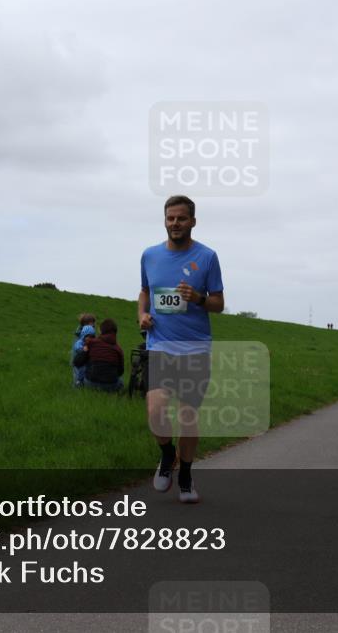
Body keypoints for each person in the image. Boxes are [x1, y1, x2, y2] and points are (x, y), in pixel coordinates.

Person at [139, 195, 224, 504]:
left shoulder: (207, 257)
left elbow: (219, 303)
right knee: (156, 410)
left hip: (195, 349)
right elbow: (145, 292)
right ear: (165, 220)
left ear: (193, 221)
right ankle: (167, 455)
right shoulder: (149, 255)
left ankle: (186, 475)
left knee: (188, 417)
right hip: (160, 345)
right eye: (170, 218)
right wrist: (142, 315)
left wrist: (198, 298)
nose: (175, 223)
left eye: (181, 218)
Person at [73, 319, 125, 392]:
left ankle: (79, 384)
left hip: (90, 383)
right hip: (110, 386)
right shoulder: (118, 349)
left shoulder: (91, 343)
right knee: (121, 382)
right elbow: (120, 372)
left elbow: (77, 362)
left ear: (101, 331)